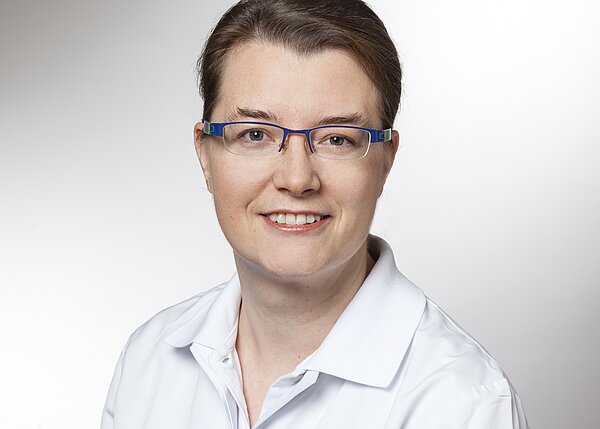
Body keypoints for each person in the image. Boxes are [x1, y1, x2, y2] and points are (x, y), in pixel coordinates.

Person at [101, 0, 529, 428]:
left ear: (385, 161)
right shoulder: (149, 360)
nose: (297, 178)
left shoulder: (462, 404)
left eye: (337, 139)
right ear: (205, 154)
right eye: (255, 134)